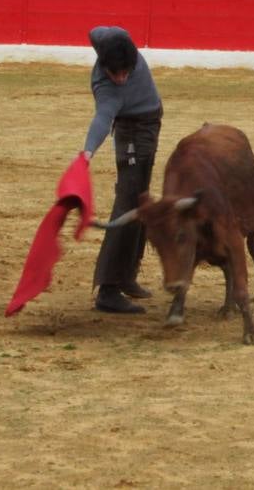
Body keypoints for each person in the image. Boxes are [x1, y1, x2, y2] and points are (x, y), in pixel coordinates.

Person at [82, 26, 163, 314]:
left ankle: (127, 275)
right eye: (116, 74)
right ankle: (108, 288)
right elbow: (103, 120)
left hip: (150, 125)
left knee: (140, 201)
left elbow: (98, 31)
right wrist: (87, 152)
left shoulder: (116, 40)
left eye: (126, 71)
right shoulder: (107, 89)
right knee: (128, 203)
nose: (122, 78)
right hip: (132, 132)